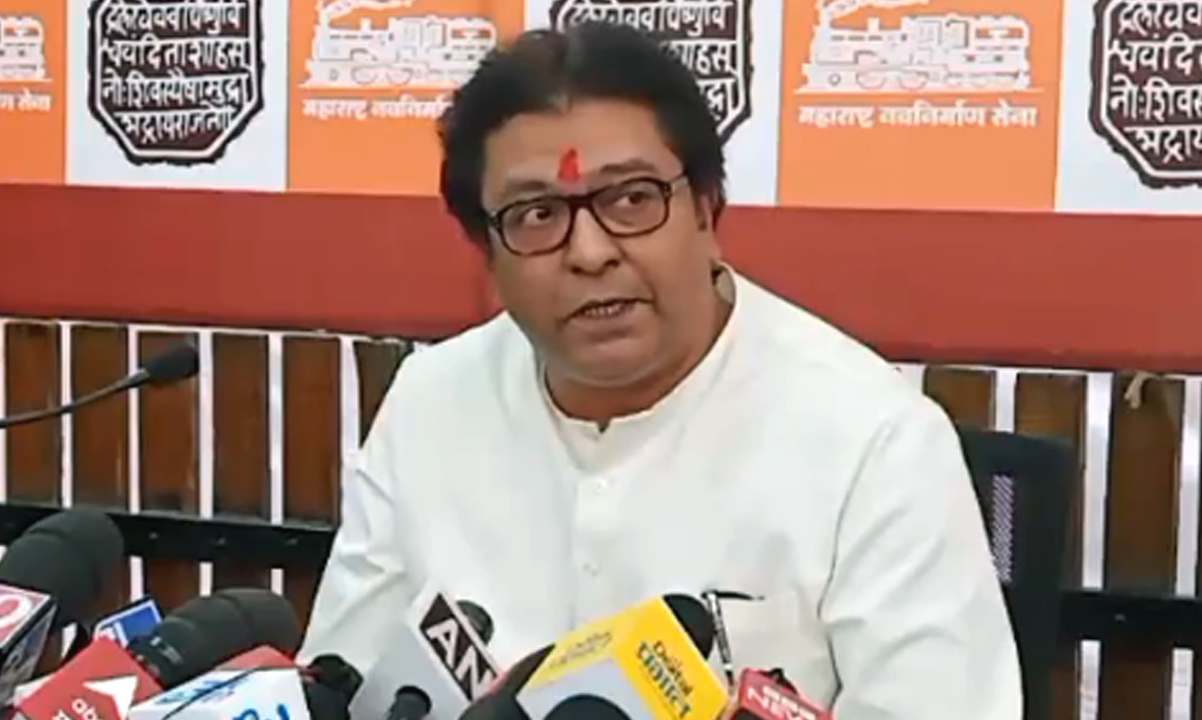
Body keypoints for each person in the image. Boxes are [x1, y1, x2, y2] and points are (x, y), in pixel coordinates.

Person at [300, 20, 1021, 719]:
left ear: (707, 211)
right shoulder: (429, 404)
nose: (590, 253)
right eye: (536, 214)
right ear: (486, 254)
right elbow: (340, 679)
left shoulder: (877, 442)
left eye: (631, 200)